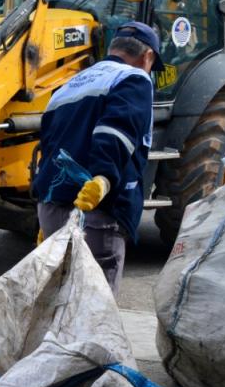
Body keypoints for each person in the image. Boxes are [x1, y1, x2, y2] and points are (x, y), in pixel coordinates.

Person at [32, 21, 162, 295]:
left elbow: (49, 145)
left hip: (51, 209)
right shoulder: (134, 78)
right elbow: (116, 130)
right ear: (148, 56)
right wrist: (103, 178)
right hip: (96, 208)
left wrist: (45, 201)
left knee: (56, 301)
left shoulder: (68, 85)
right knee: (94, 310)